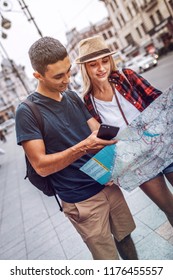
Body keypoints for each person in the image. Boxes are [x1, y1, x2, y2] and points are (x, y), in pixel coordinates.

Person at [15, 36, 138, 260]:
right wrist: (82, 147)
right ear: (38, 76)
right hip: (80, 199)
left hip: (107, 183)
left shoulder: (71, 97)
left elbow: (96, 131)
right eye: (59, 76)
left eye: (69, 71)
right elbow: (41, 166)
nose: (67, 79)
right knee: (106, 258)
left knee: (125, 237)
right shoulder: (27, 112)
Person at [75, 35, 173, 227]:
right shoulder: (87, 102)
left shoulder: (127, 77)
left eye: (104, 61)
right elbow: (100, 140)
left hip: (163, 146)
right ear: (85, 68)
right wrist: (108, 170)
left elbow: (158, 100)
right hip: (137, 162)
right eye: (93, 64)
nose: (101, 68)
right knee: (169, 208)